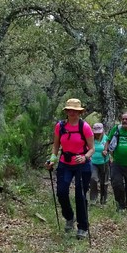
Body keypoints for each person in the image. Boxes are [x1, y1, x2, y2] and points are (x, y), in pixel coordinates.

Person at [46, 98, 94, 239]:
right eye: (69, 110)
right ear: (66, 111)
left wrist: (85, 157)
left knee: (80, 195)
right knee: (61, 192)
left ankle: (83, 227)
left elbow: (92, 149)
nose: (72, 112)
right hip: (65, 163)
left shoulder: (84, 127)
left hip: (82, 164)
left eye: (75, 110)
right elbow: (56, 147)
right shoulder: (60, 126)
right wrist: (52, 160)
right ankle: (69, 217)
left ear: (79, 112)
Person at [89, 123, 109, 206]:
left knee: (104, 181)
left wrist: (106, 151)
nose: (97, 134)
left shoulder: (106, 138)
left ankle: (103, 199)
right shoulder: (90, 138)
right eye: (96, 132)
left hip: (104, 162)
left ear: (102, 131)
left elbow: (110, 148)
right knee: (93, 179)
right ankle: (93, 199)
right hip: (93, 162)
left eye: (99, 132)